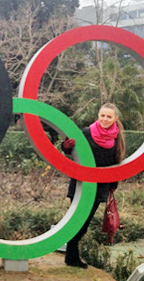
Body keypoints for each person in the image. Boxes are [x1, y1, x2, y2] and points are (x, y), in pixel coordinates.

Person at [62, 102, 126, 269]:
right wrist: (66, 147)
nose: (105, 119)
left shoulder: (117, 138)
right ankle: (72, 257)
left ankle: (71, 256)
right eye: (102, 115)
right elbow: (70, 149)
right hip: (81, 183)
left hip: (100, 186)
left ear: (115, 118)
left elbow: (115, 163)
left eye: (109, 116)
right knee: (76, 221)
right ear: (98, 115)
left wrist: (113, 186)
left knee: (84, 224)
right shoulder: (86, 132)